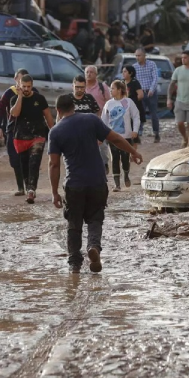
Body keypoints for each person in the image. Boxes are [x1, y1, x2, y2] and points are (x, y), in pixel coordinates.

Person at [48, 94, 142, 274]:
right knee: (95, 219)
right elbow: (115, 138)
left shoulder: (56, 131)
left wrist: (54, 192)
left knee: (74, 224)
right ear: (74, 107)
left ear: (58, 111)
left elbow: (53, 164)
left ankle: (75, 264)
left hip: (74, 184)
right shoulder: (91, 120)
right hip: (97, 182)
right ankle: (94, 247)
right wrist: (133, 152)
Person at [10, 75, 54, 203]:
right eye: (24, 86)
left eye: (29, 86)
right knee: (24, 164)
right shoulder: (14, 99)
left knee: (34, 163)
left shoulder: (39, 99)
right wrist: (20, 97)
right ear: (19, 85)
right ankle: (28, 187)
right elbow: (15, 113)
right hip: (20, 137)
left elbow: (48, 116)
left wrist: (54, 131)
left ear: (32, 85)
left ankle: (31, 190)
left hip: (38, 136)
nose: (26, 89)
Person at [0, 68, 30, 196]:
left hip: (28, 131)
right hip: (12, 130)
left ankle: (29, 186)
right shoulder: (9, 93)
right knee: (15, 159)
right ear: (16, 79)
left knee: (27, 159)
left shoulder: (33, 93)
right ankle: (21, 187)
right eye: (20, 80)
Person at [101, 80, 140, 191]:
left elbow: (136, 116)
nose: (110, 90)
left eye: (113, 88)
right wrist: (102, 134)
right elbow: (104, 120)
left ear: (119, 90)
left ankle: (126, 175)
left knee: (125, 157)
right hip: (112, 136)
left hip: (126, 136)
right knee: (114, 158)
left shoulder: (128, 102)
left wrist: (135, 130)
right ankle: (117, 184)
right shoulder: (108, 104)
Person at [84, 65, 111, 170]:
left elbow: (109, 102)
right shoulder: (82, 87)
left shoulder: (102, 86)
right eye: (87, 72)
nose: (89, 74)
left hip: (100, 117)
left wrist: (106, 117)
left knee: (102, 143)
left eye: (91, 72)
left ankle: (104, 164)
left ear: (96, 74)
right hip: (85, 118)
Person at [134, 49, 161, 143]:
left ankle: (156, 133)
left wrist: (151, 89)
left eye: (139, 55)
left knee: (154, 114)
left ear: (144, 55)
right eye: (136, 56)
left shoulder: (152, 64)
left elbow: (155, 78)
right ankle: (138, 134)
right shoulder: (135, 67)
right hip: (140, 93)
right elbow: (134, 81)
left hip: (151, 93)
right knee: (139, 114)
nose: (138, 57)